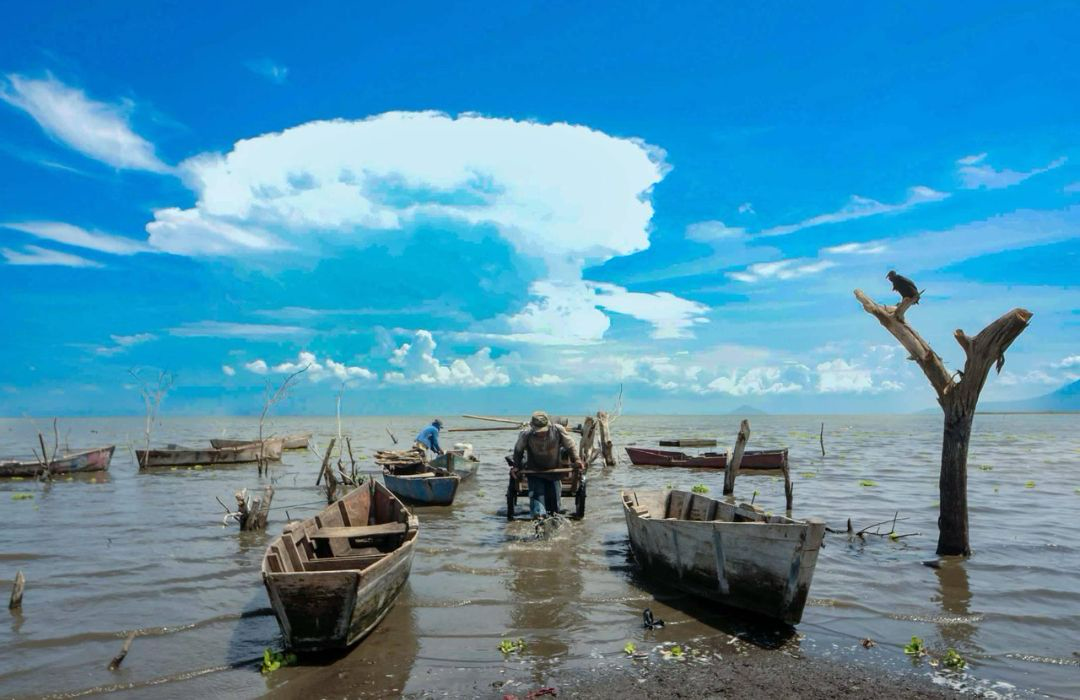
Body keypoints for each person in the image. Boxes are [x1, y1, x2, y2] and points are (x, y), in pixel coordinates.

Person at [512, 411, 583, 519]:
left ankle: (554, 530)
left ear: (548, 425)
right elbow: (518, 450)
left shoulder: (558, 430)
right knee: (538, 509)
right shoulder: (526, 434)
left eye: (544, 430)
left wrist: (577, 460)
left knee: (554, 510)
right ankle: (539, 528)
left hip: (554, 471)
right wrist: (516, 466)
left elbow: (570, 446)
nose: (542, 433)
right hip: (535, 472)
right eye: (539, 431)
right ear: (533, 427)